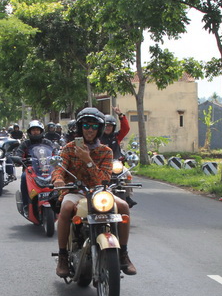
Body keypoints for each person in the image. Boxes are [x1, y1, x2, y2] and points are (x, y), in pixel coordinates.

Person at [52, 107, 136, 277]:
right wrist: (58, 179)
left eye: (94, 126)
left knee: (124, 206)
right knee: (66, 208)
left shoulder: (106, 151)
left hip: (99, 192)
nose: (90, 130)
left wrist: (88, 160)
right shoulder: (69, 148)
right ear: (80, 127)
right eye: (86, 126)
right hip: (75, 191)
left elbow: (102, 179)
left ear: (100, 128)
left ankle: (123, 253)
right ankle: (62, 256)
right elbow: (59, 169)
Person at [15, 120, 55, 212]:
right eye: (33, 130)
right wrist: (19, 159)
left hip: (48, 168)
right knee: (24, 177)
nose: (35, 132)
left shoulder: (48, 143)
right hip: (31, 170)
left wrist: (57, 157)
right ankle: (26, 204)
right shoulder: (25, 144)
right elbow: (19, 154)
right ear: (30, 132)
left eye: (37, 130)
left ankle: (60, 202)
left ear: (41, 131)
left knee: (60, 178)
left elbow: (55, 152)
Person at [100, 107, 136, 206]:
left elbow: (126, 129)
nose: (108, 128)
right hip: (100, 164)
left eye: (110, 126)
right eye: (106, 125)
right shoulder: (97, 138)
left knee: (127, 173)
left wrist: (121, 115)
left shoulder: (116, 137)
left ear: (113, 127)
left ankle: (127, 196)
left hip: (115, 164)